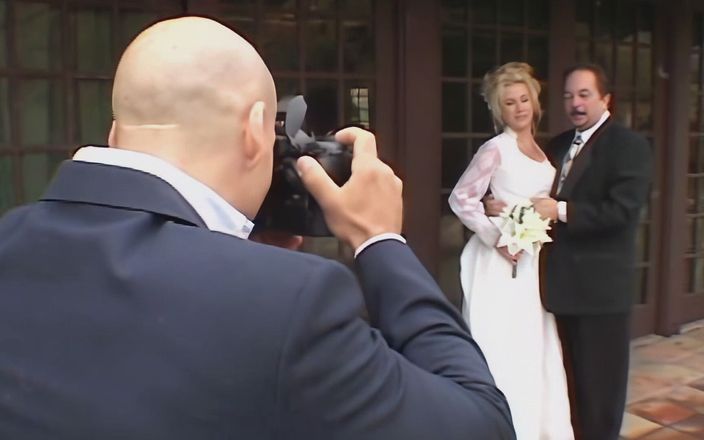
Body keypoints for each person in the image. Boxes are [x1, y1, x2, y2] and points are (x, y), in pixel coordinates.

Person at [0, 17, 514, 440]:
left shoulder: (12, 238)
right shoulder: (290, 302)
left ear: (116, 134)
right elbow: (481, 426)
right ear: (255, 130)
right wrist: (378, 239)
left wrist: (235, 253)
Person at [486, 64, 653, 440]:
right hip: (557, 289)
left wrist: (561, 210)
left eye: (584, 95)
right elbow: (528, 194)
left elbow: (623, 212)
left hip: (600, 293)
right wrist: (499, 206)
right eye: (568, 96)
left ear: (605, 99)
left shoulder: (628, 146)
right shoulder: (558, 145)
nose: (575, 104)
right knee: (568, 387)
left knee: (601, 392)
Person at [448, 62, 574, 440]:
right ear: (498, 109)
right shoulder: (495, 149)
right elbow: (462, 198)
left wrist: (525, 216)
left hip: (533, 259)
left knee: (530, 345)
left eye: (523, 99)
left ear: (534, 103)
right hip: (500, 261)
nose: (518, 108)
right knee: (500, 342)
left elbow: (540, 203)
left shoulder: (541, 150)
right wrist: (496, 236)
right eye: (509, 102)